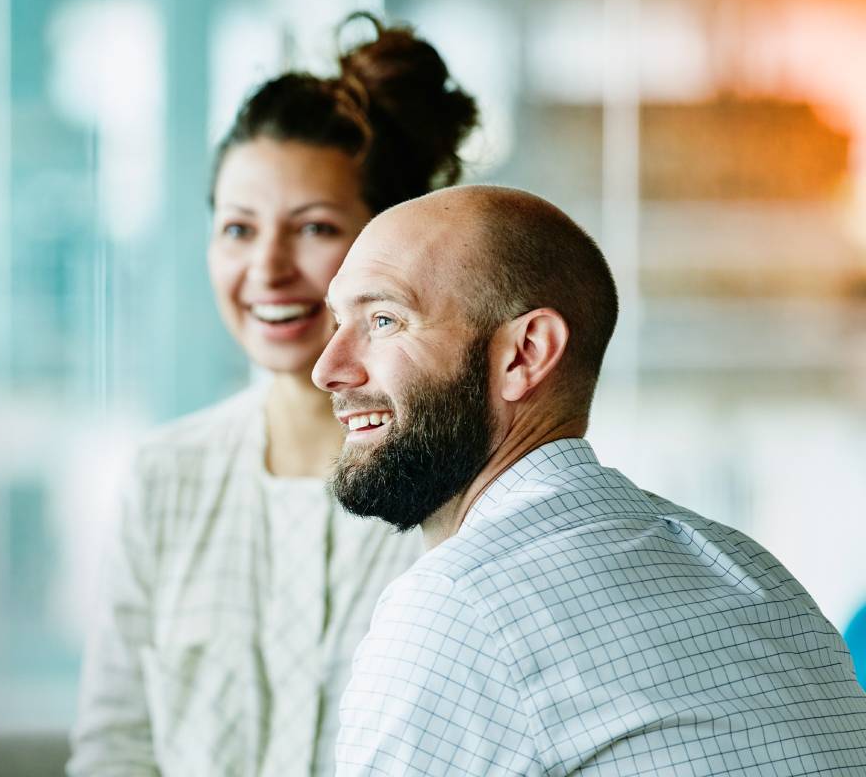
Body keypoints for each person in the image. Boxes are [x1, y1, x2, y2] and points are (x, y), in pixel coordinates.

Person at [315, 184, 866, 774]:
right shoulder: (749, 571)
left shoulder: (459, 607)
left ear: (526, 354)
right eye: (339, 322)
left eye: (384, 320)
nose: (328, 369)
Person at [69, 14, 478, 776]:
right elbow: (115, 748)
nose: (267, 269)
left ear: (386, 242)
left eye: (315, 228)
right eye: (237, 229)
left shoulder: (460, 484)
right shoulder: (166, 474)